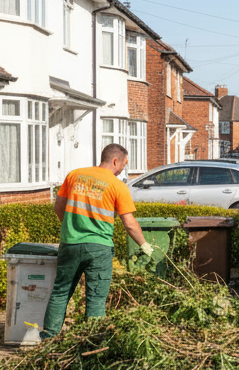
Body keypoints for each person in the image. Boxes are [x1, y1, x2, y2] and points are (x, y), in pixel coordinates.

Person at [43, 144, 155, 339]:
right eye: (124, 164)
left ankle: (46, 339)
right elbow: (129, 223)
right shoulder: (117, 186)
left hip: (70, 243)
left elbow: (58, 207)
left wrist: (71, 227)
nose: (123, 170)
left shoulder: (75, 175)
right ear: (115, 161)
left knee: (61, 292)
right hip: (99, 248)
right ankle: (93, 343)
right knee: (95, 298)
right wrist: (144, 244)